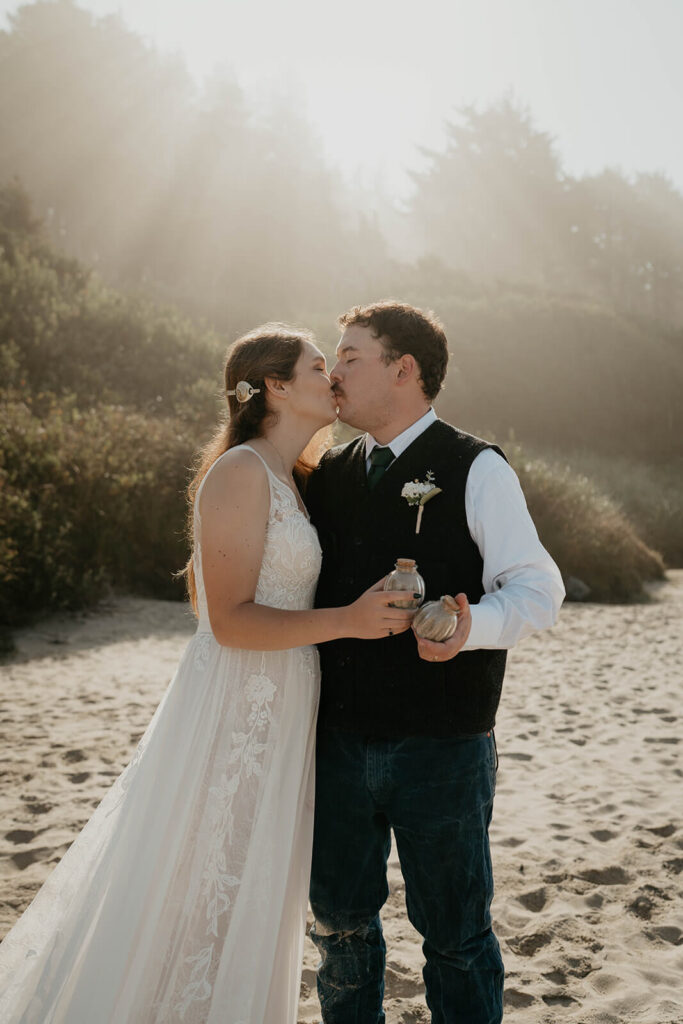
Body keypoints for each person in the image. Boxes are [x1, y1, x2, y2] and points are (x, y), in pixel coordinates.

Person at [0, 323, 414, 1024]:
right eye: (321, 366)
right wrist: (347, 620)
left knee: (250, 890)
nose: (334, 378)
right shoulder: (239, 472)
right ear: (276, 386)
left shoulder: (294, 476)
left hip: (284, 707)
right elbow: (228, 620)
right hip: (234, 709)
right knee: (201, 884)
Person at [305, 301, 566, 1024]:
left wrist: (469, 625)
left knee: (454, 938)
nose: (334, 371)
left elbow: (539, 591)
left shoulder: (473, 465)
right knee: (340, 932)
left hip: (443, 745)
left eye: (351, 356)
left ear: (404, 368)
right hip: (334, 743)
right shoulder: (327, 472)